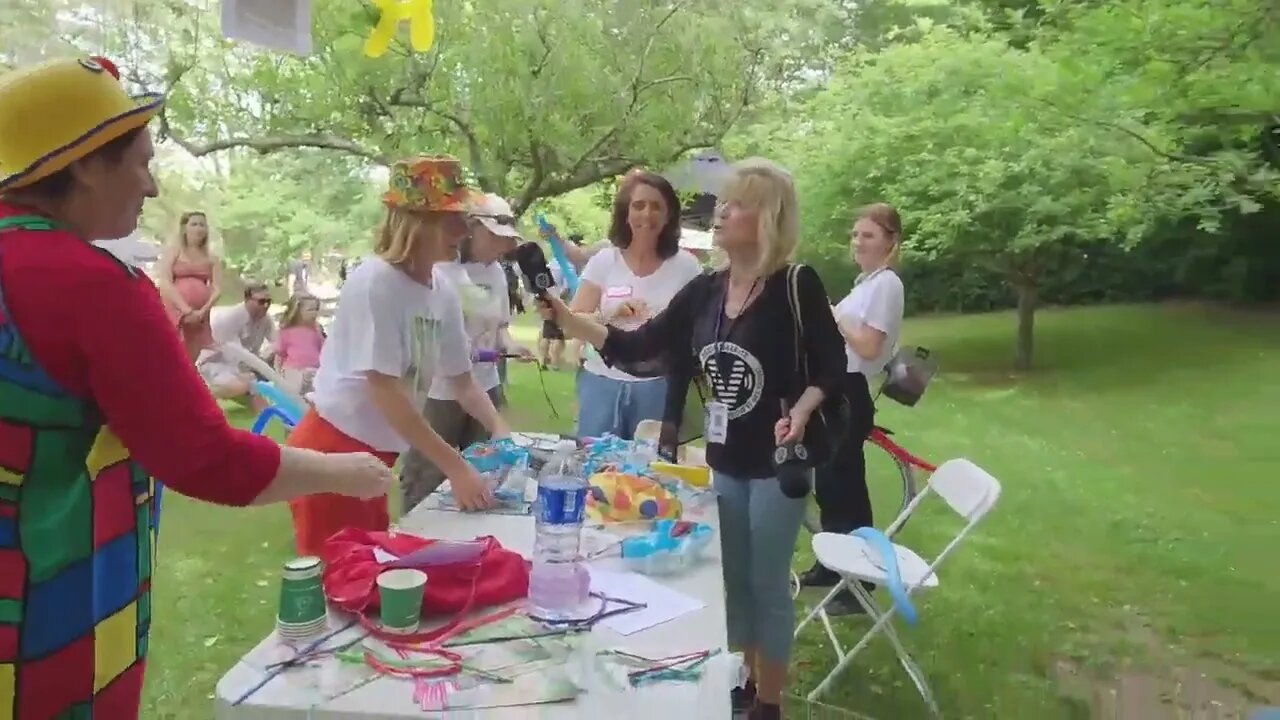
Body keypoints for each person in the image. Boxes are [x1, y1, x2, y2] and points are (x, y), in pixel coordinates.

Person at [0, 55, 390, 720]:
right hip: (45, 603)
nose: (151, 188)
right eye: (140, 162)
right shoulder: (94, 285)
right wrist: (345, 471)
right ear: (87, 162)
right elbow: (209, 460)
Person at [538, 158, 844, 720]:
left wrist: (801, 410)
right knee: (733, 581)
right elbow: (639, 345)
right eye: (724, 201)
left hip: (780, 461)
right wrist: (567, 317)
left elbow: (832, 364)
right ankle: (747, 684)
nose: (722, 211)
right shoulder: (707, 290)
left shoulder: (796, 285)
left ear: (769, 217)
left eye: (737, 203)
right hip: (726, 459)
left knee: (767, 582)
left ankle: (769, 704)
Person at [287, 155, 507, 556]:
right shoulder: (375, 283)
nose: (462, 230)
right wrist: (455, 467)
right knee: (338, 581)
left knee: (371, 571)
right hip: (332, 452)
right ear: (414, 222)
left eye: (465, 218)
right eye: (450, 219)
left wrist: (499, 428)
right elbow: (385, 391)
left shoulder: (441, 289)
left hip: (376, 459)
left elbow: (461, 378)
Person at [801, 204, 907, 615]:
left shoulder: (887, 286)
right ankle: (832, 568)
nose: (858, 242)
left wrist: (831, 314)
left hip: (850, 392)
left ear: (890, 242)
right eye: (855, 235)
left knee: (847, 491)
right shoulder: (867, 283)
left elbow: (868, 346)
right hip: (834, 388)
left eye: (868, 235)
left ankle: (859, 584)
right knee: (829, 485)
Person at [400, 193, 531, 511]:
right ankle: (418, 532)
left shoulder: (497, 273)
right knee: (429, 471)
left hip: (484, 386)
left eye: (506, 241)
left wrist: (511, 347)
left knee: (486, 470)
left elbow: (499, 327)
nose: (501, 247)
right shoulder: (440, 271)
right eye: (494, 238)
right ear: (471, 230)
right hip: (439, 392)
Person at [570, 170, 701, 440]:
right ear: (625, 213)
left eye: (656, 206)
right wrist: (609, 314)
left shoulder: (687, 267)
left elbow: (698, 331)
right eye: (638, 205)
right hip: (600, 381)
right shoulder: (604, 261)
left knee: (651, 471)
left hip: (659, 387)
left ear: (669, 215)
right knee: (595, 466)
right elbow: (574, 321)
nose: (646, 214)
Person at [196, 281, 277, 406]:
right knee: (247, 384)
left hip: (243, 367)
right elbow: (233, 355)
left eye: (268, 302)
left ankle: (271, 418)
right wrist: (251, 374)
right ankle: (200, 395)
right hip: (215, 364)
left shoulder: (266, 320)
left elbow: (277, 343)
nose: (265, 306)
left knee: (261, 403)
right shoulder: (230, 318)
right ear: (247, 300)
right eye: (261, 302)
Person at [156, 210, 221, 360]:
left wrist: (202, 311)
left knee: (190, 357)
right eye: (194, 224)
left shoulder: (212, 258)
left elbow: (217, 288)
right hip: (175, 309)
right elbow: (165, 281)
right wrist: (186, 310)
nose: (198, 228)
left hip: (200, 315)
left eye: (202, 225)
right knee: (171, 351)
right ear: (185, 228)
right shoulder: (174, 252)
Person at [274, 291, 326, 396]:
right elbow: (279, 355)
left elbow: (323, 350)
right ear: (298, 312)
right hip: (294, 370)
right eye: (310, 310)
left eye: (316, 309)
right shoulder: (287, 332)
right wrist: (277, 374)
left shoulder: (316, 330)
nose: (314, 313)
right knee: (294, 392)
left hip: (313, 370)